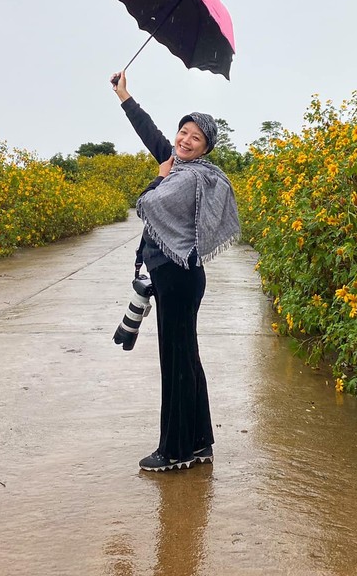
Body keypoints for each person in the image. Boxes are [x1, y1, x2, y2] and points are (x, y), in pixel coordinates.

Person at [111, 70, 241, 472]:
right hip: (176, 275)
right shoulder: (181, 165)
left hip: (178, 278)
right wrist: (124, 95)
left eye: (194, 138)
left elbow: (149, 204)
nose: (184, 140)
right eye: (183, 132)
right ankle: (199, 443)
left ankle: (174, 452)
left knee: (176, 362)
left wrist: (158, 177)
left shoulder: (189, 177)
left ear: (205, 148)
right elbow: (151, 136)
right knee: (186, 359)